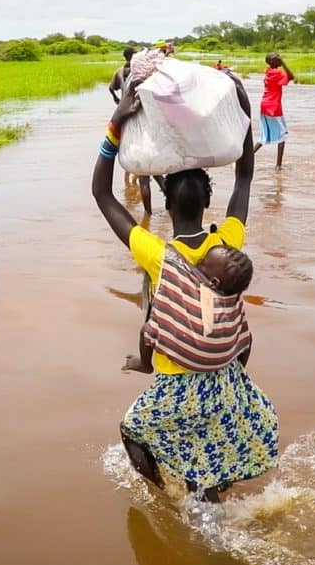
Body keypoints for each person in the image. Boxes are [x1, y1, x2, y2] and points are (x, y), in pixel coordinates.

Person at [92, 76, 278, 503]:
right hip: (226, 375)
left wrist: (116, 125)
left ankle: (171, 499)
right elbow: (245, 179)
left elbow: (102, 195)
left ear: (167, 204)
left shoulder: (156, 253)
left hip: (177, 381)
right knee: (210, 453)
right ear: (206, 202)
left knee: (133, 431)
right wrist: (241, 113)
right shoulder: (228, 242)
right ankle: (208, 495)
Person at [122, 244, 254, 375]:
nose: (198, 262)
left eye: (202, 262)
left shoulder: (193, 290)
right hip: (223, 358)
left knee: (146, 330)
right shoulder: (235, 296)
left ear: (214, 283)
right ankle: (240, 371)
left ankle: (145, 365)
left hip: (192, 360)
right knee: (247, 336)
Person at [109, 46, 155, 214]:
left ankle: (130, 177)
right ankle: (151, 212)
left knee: (126, 146)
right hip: (139, 115)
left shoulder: (120, 72)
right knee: (148, 170)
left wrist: (117, 100)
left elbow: (110, 88)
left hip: (124, 113)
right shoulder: (141, 74)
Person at [253, 52, 295, 169]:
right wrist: (284, 63)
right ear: (274, 62)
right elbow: (292, 76)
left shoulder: (269, 71)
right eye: (277, 58)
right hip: (273, 107)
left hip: (265, 105)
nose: (280, 58)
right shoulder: (276, 73)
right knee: (282, 135)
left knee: (264, 136)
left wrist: (278, 61)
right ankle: (278, 166)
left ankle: (247, 158)